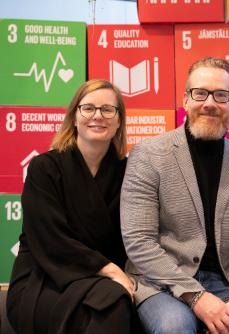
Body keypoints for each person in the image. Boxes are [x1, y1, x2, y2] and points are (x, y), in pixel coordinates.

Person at [120, 57, 229, 334]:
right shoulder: (148, 155)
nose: (210, 103)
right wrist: (196, 296)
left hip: (226, 285)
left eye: (221, 95)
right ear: (186, 100)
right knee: (174, 328)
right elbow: (138, 242)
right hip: (161, 283)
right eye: (200, 93)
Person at [6, 79, 143, 334]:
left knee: (112, 303)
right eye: (88, 108)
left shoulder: (129, 174)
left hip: (102, 284)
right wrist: (110, 270)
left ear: (118, 121)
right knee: (113, 302)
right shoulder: (44, 168)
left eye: (107, 110)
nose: (97, 116)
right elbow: (50, 238)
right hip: (44, 280)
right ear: (75, 117)